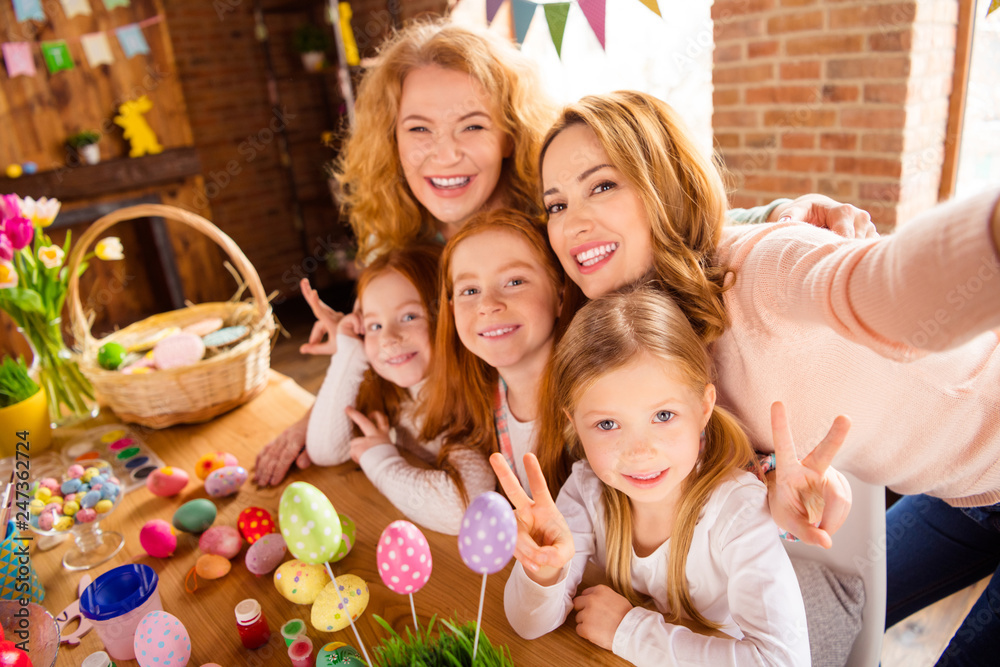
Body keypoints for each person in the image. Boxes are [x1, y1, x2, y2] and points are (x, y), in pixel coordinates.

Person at [253, 18, 876, 488]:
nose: (443, 155)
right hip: (484, 471)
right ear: (391, 141)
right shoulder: (403, 244)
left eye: (471, 125)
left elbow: (671, 221)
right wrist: (340, 390)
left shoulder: (555, 217)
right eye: (419, 130)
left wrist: (780, 212)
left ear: (508, 132)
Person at [536, 89, 1000, 663]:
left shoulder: (763, 270)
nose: (573, 223)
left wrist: (989, 237)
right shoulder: (653, 340)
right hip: (959, 493)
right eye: (555, 204)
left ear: (662, 186)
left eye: (601, 185)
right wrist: (775, 481)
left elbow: (887, 287)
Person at [495, 285, 835, 665]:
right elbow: (528, 625)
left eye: (662, 416)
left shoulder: (737, 510)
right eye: (607, 423)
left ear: (704, 408)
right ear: (574, 424)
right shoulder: (586, 490)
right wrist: (544, 572)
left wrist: (628, 629)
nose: (640, 451)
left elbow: (784, 662)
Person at [299, 244, 495, 534]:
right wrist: (349, 352)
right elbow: (325, 450)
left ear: (447, 316)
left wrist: (382, 462)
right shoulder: (389, 389)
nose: (388, 338)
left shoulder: (467, 400)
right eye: (374, 325)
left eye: (409, 317)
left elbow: (466, 510)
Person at [419, 209, 567, 491]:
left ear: (560, 295)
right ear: (452, 310)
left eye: (514, 282)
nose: (487, 304)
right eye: (470, 291)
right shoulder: (479, 399)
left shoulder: (594, 406)